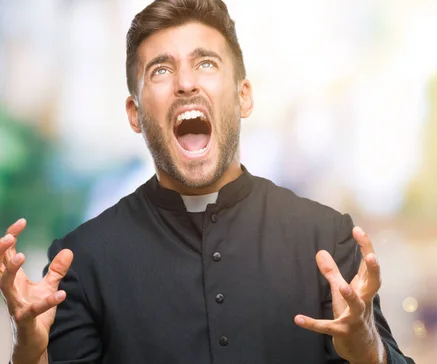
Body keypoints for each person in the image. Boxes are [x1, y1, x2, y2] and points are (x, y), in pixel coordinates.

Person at [0, 0, 414, 363]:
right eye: (161, 70)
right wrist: (30, 355)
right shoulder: (79, 262)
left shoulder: (326, 239)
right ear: (134, 114)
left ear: (243, 96)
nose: (186, 83)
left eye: (206, 63)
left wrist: (369, 352)